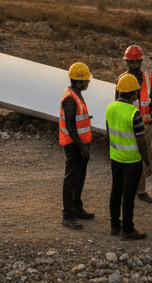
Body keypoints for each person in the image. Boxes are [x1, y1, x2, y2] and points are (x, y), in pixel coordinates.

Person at [105, 73, 152, 240]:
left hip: (115, 157)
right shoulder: (134, 113)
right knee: (129, 195)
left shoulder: (110, 108)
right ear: (133, 94)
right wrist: (147, 161)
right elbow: (141, 141)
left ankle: (114, 226)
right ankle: (128, 229)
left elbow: (109, 132)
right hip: (132, 160)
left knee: (116, 191)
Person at [117, 45, 152, 203]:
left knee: (139, 157)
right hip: (135, 125)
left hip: (143, 125)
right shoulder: (127, 79)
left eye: (135, 62)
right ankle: (133, 189)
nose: (134, 65)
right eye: (131, 62)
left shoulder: (146, 78)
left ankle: (138, 190)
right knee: (133, 157)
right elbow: (118, 102)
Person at [58, 62, 94, 230]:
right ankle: (68, 215)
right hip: (74, 146)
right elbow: (71, 126)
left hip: (80, 144)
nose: (88, 82)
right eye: (86, 80)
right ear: (79, 82)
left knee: (79, 178)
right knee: (71, 179)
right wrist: (82, 146)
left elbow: (77, 121)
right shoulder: (71, 99)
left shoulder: (75, 94)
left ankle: (77, 208)